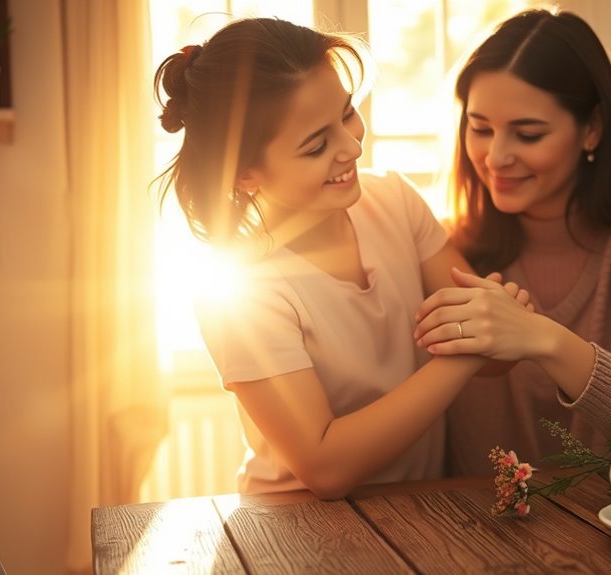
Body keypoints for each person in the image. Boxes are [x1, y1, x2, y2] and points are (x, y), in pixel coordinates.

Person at [153, 17, 526, 498]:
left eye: (348, 114)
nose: (351, 147)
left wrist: (500, 326)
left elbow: (492, 351)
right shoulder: (240, 290)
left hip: (415, 509)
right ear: (246, 173)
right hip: (294, 523)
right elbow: (326, 468)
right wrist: (470, 350)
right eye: (316, 146)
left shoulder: (394, 201)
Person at [413, 8, 611, 475]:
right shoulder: (448, 247)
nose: (495, 157)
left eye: (528, 134)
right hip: (473, 521)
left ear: (592, 128)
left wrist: (540, 337)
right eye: (480, 129)